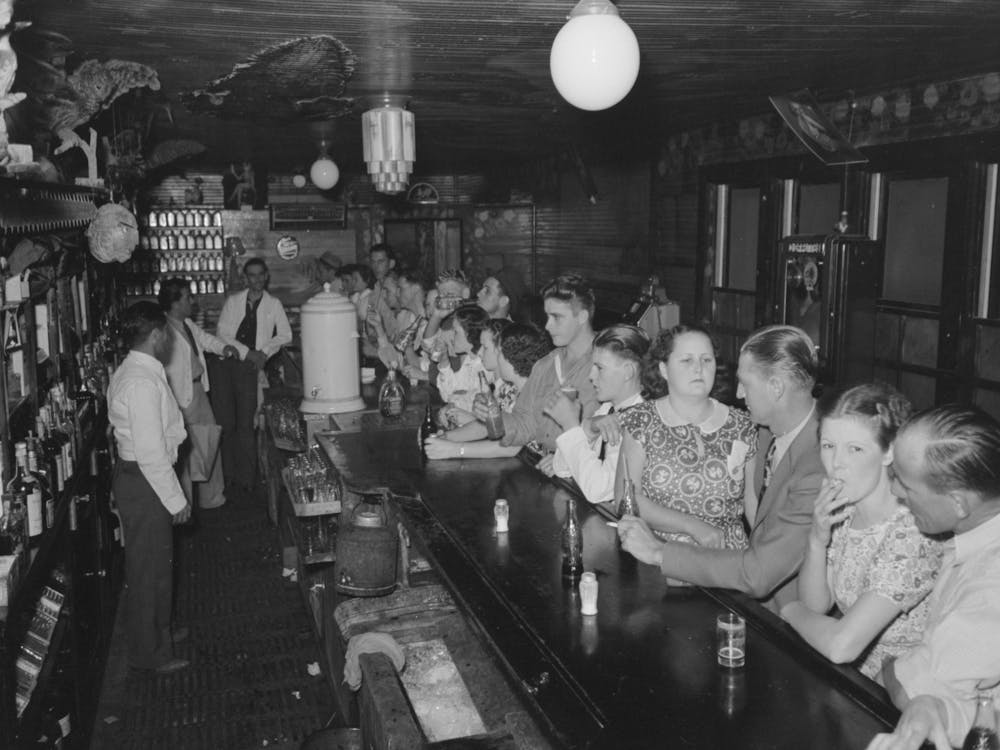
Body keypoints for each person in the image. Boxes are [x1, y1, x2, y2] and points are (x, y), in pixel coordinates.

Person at [618, 324, 823, 610]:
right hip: (714, 574)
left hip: (778, 603)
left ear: (775, 387)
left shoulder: (812, 460)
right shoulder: (768, 428)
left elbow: (758, 563)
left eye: (746, 384)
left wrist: (659, 553)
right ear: (664, 369)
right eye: (686, 360)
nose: (739, 393)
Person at [780, 383, 944, 682]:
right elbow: (816, 605)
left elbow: (842, 646)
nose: (836, 464)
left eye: (854, 449)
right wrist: (817, 539)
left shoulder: (912, 532)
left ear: (888, 452)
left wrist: (788, 611)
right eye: (828, 446)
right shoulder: (847, 508)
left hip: (906, 695)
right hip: (856, 683)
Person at [866, 405, 1000, 750]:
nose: (895, 491)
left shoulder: (991, 587)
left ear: (958, 502)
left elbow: (916, 686)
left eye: (906, 485)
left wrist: (897, 665)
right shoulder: (976, 530)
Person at [618, 324, 757, 550]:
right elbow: (627, 499)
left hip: (726, 561)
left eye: (706, 360)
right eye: (686, 361)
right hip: (656, 553)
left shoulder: (743, 425)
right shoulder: (640, 421)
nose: (698, 369)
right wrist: (692, 525)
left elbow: (753, 505)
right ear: (664, 369)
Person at [107, 301, 190, 674]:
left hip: (142, 478)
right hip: (146, 481)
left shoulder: (139, 370)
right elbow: (151, 452)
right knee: (147, 570)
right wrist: (175, 499)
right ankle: (150, 652)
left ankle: (160, 630)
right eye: (166, 333)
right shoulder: (140, 381)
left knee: (157, 564)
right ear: (156, 334)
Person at [462, 274, 599, 452]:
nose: (548, 326)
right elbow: (525, 423)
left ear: (582, 317)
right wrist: (493, 415)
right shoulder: (545, 365)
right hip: (545, 468)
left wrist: (563, 458)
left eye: (557, 317)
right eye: (547, 317)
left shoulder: (608, 363)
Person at [538, 324, 649, 505]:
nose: (591, 375)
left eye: (599, 367)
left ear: (628, 372)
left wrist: (570, 425)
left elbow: (597, 491)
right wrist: (588, 427)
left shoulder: (639, 420)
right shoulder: (607, 409)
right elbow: (561, 468)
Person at [158, 279, 239, 510]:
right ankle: (187, 505)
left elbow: (204, 339)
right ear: (174, 303)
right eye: (186, 297)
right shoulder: (163, 328)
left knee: (208, 441)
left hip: (197, 390)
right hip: (179, 396)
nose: (192, 301)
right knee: (183, 451)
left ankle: (212, 498)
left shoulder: (186, 324)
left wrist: (224, 347)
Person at [214, 258, 292, 492]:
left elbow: (286, 335)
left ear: (266, 276)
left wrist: (264, 352)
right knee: (227, 423)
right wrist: (249, 353)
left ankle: (247, 478)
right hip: (228, 366)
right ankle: (229, 475)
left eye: (260, 275)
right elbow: (222, 333)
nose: (256, 279)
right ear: (245, 278)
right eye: (251, 275)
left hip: (252, 369)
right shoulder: (233, 301)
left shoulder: (274, 303)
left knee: (248, 424)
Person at [426, 322, 552, 460]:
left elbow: (511, 447)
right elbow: (486, 426)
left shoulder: (535, 393)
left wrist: (454, 449)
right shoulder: (510, 389)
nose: (480, 353)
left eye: (499, 353)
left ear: (510, 358)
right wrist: (446, 438)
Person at [435, 304, 491, 420]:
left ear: (470, 334)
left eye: (455, 332)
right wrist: (444, 360)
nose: (452, 336)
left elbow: (474, 408)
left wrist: (455, 401)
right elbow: (448, 394)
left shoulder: (487, 365)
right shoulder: (469, 359)